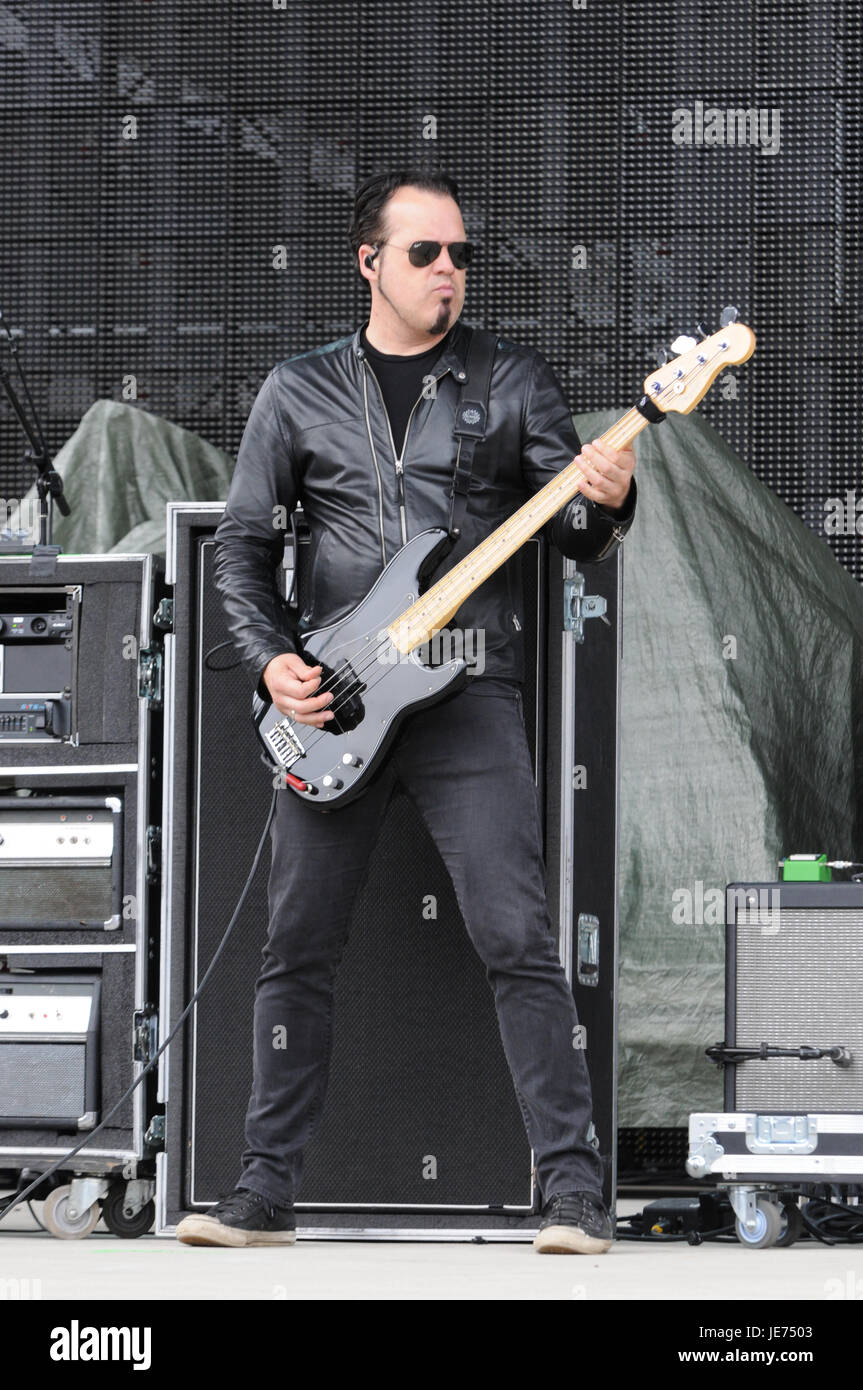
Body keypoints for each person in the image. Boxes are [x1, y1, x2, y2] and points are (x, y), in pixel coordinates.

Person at [175, 165, 638, 1253]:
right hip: (335, 698)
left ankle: (571, 1191)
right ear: (367, 262)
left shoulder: (513, 379)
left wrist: (607, 502)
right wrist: (271, 660)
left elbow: (566, 530)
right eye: (425, 252)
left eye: (461, 255)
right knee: (295, 944)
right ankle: (261, 1193)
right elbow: (241, 545)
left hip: (468, 687)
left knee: (518, 934)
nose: (447, 273)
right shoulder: (297, 389)